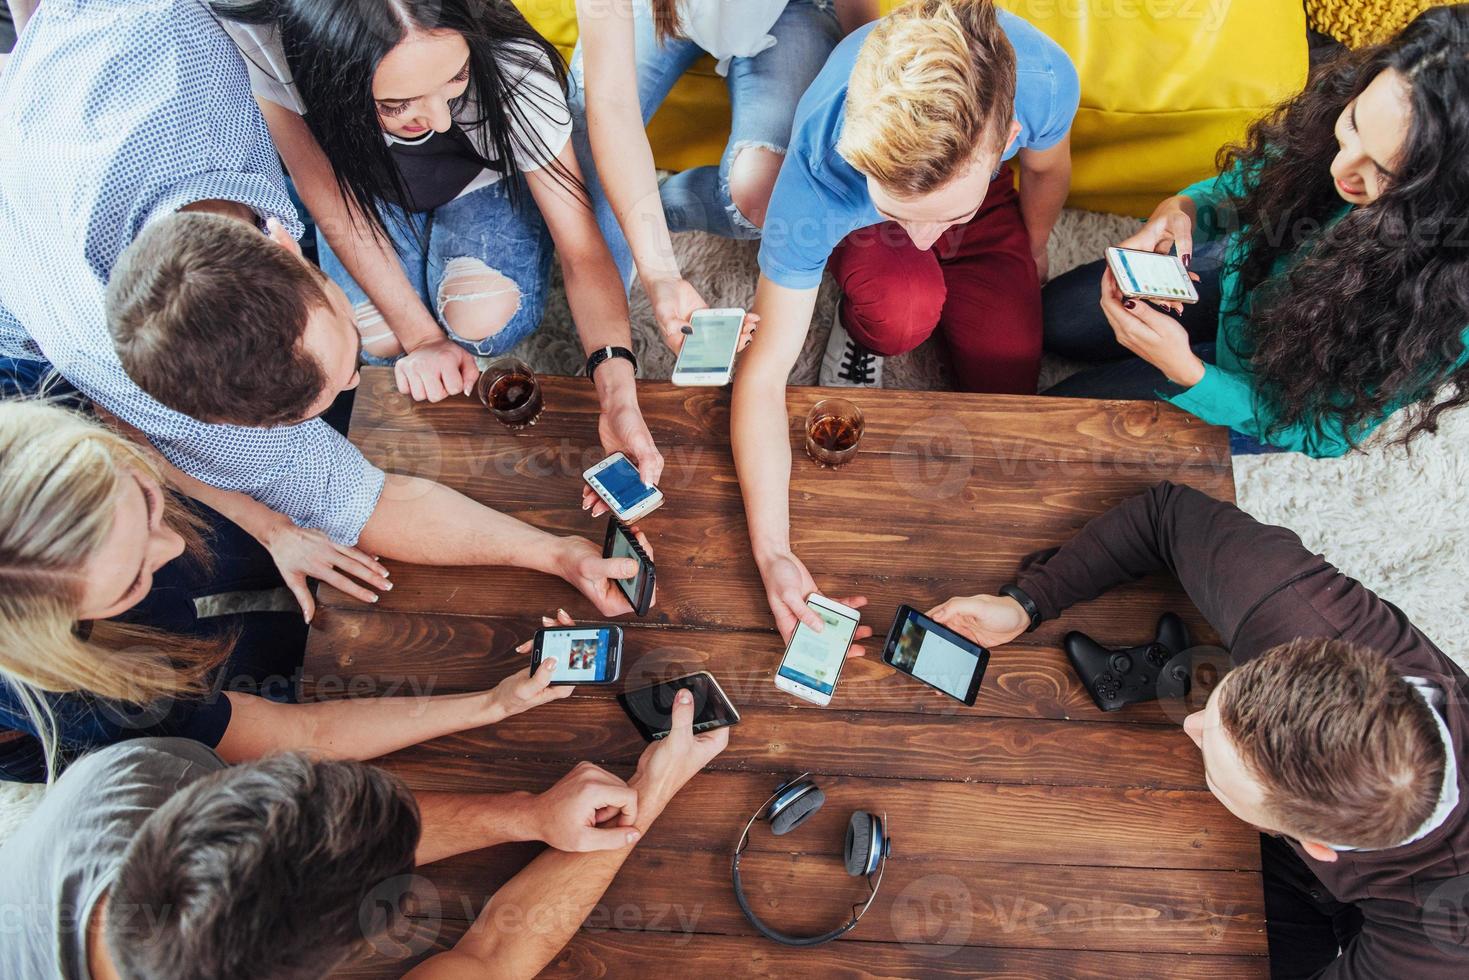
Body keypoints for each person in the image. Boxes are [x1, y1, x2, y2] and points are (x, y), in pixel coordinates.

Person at [0, 0, 644, 618]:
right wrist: (556, 553)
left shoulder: (198, 28)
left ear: (288, 242)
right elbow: (366, 503)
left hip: (61, 84)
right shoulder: (129, 381)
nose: (355, 379)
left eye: (338, 367)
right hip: (29, 269)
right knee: (378, 339)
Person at [929, 481, 1468, 978]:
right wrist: (1025, 603)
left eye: (1216, 767)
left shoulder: (1441, 943)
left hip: (1374, 924)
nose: (1189, 721)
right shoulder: (1302, 611)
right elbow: (1165, 513)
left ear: (1315, 845)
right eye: (1216, 711)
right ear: (1299, 653)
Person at [0, 393, 663, 784]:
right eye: (131, 578)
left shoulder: (44, 389)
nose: (171, 546)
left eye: (144, 504)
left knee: (282, 594)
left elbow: (131, 430)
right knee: (274, 677)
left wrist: (270, 524)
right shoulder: (89, 704)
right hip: (107, 681)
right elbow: (301, 734)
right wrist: (488, 704)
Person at [733, 0, 1075, 650]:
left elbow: (1047, 170)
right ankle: (859, 307)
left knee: (1007, 379)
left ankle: (934, 210)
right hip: (862, 214)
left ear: (1005, 137)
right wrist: (773, 550)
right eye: (907, 214)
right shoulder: (820, 168)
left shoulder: (1046, 79)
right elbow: (763, 374)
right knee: (900, 314)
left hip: (984, 202)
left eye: (940, 218)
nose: (922, 239)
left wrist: (1030, 248)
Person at [0, 689, 728, 978]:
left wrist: (527, 814)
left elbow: (321, 845)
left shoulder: (132, 776)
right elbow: (490, 958)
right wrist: (652, 788)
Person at [212, 0, 656, 461]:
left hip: (479, 178)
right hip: (365, 182)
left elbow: (582, 250)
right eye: (398, 104)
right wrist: (423, 339)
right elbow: (327, 196)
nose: (441, 121)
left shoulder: (516, 69)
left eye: (457, 78)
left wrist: (618, 393)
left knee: (481, 318)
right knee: (380, 340)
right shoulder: (270, 37)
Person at [1042, 5, 1469, 457]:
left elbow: (1320, 431)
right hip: (1241, 286)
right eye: (1354, 125)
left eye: (1384, 173)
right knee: (1054, 317)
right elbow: (1254, 184)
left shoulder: (1445, 307)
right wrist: (1181, 208)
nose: (1341, 169)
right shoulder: (1363, 108)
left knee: (1056, 422)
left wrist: (1189, 372)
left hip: (1269, 394)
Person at [568, 0, 875, 346]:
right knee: (582, 149)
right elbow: (609, 105)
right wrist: (661, 276)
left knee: (766, 194)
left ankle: (655, 205)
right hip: (650, 8)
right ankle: (610, 325)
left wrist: (871, 90)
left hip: (787, 10)